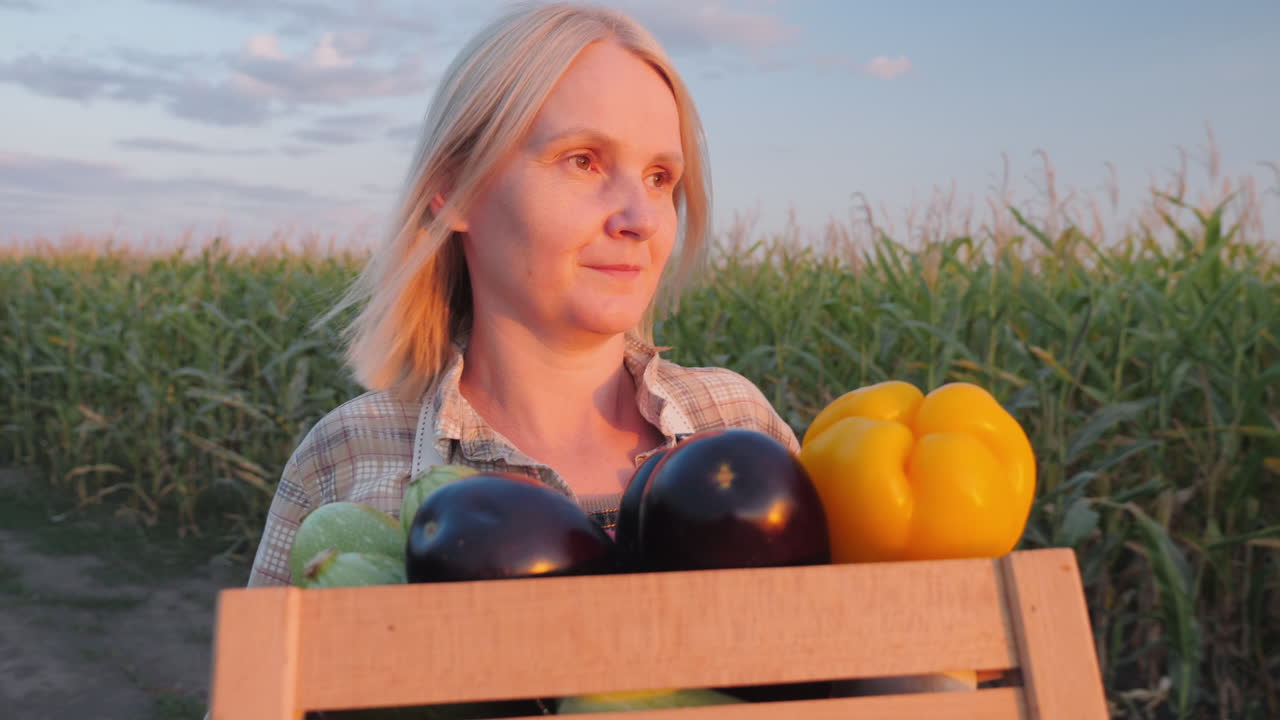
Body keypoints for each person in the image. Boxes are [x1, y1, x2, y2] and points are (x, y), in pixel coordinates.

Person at [245, 1, 799, 590]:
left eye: (660, 177)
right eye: (583, 161)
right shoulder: (351, 456)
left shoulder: (740, 425)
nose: (641, 218)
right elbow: (274, 679)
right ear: (454, 190)